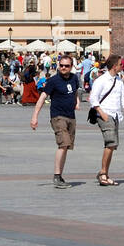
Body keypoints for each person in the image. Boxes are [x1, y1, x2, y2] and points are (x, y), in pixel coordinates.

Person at [31, 53, 81, 187]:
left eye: (67, 66)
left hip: (71, 116)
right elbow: (42, 97)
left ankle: (60, 175)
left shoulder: (74, 78)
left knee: (66, 146)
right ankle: (57, 176)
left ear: (71, 66)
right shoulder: (53, 81)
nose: (63, 68)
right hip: (58, 116)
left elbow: (75, 91)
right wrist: (35, 116)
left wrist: (77, 102)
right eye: (61, 65)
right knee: (63, 144)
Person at [90, 54, 124, 185]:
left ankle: (104, 172)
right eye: (121, 64)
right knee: (110, 143)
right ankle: (103, 174)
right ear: (115, 66)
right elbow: (93, 98)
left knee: (113, 145)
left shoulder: (119, 80)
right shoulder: (101, 80)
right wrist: (101, 113)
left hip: (115, 115)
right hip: (105, 114)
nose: (123, 66)